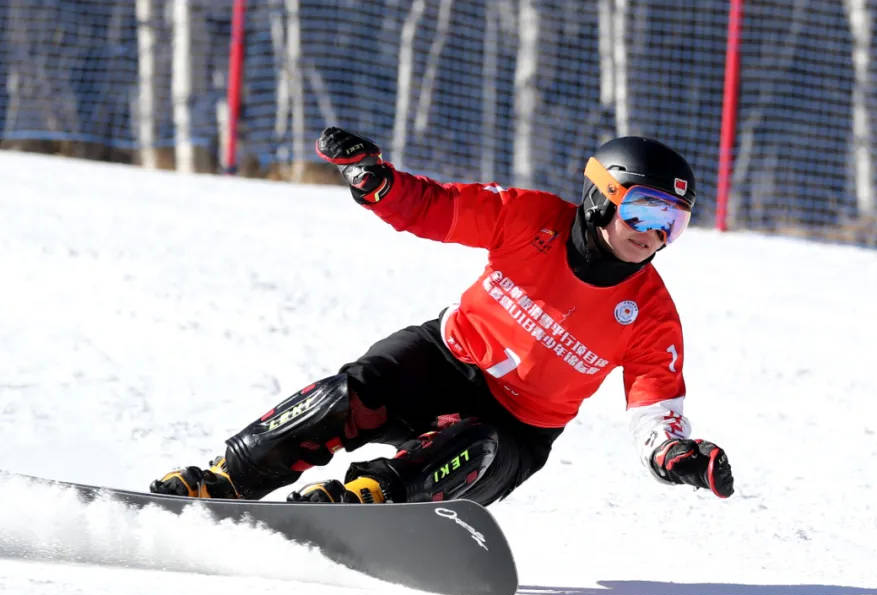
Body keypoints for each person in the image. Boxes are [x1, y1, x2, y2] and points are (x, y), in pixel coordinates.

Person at [150, 127, 734, 505]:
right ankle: (225, 482)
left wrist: (676, 454)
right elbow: (438, 209)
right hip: (442, 359)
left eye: (672, 224)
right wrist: (380, 184)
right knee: (346, 395)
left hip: (517, 429)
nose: (653, 235)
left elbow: (656, 412)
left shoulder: (651, 315)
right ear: (601, 197)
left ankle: (371, 502)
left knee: (473, 441)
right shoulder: (530, 219)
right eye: (644, 213)